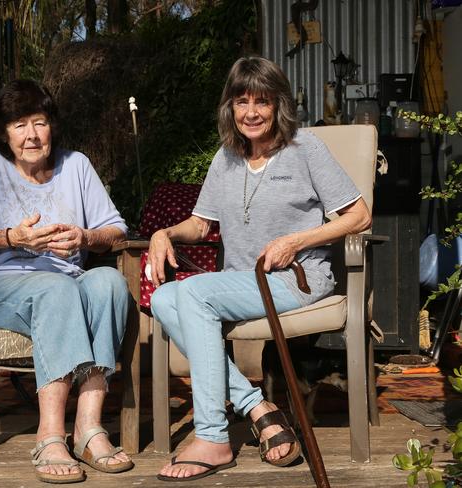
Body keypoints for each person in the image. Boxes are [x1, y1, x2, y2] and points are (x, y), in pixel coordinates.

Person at [147, 56, 371, 482]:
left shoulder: (306, 149)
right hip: (243, 282)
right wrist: (166, 233)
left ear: (278, 106)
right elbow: (201, 224)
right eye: (241, 101)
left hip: (298, 279)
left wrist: (298, 240)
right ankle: (258, 407)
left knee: (190, 293)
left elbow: (359, 216)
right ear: (229, 108)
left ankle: (212, 436)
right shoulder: (225, 158)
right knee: (161, 297)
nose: (251, 112)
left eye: (262, 102)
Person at [0, 79, 134, 484]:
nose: (31, 135)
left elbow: (116, 231)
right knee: (56, 289)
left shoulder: (75, 165)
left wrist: (85, 237)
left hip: (67, 282)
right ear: (4, 134)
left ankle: (88, 427)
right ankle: (49, 434)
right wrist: (11, 237)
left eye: (39, 122)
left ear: (52, 126)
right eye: (19, 125)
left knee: (110, 283)